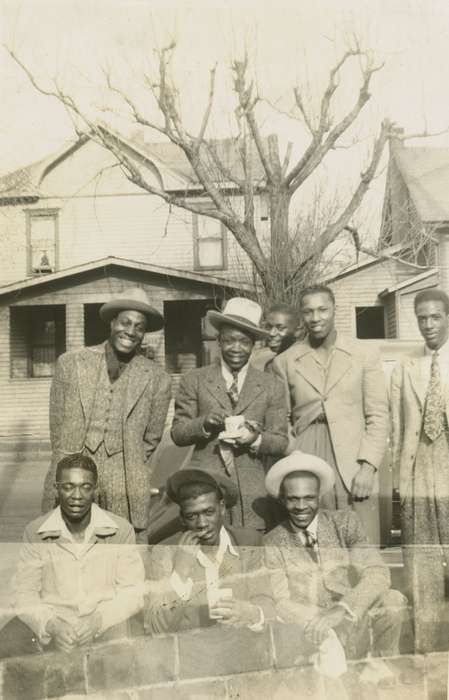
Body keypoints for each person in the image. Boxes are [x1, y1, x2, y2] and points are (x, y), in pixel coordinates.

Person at [41, 288, 172, 539]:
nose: (131, 331)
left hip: (125, 476)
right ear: (113, 323)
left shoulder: (157, 378)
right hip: (74, 467)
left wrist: (128, 460)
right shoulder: (72, 363)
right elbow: (56, 424)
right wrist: (68, 456)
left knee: (120, 547)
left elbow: (152, 438)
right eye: (125, 323)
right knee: (65, 544)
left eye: (139, 327)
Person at [264, 451, 406, 667]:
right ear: (283, 499)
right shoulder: (272, 541)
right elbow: (281, 601)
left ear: (319, 495)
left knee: (392, 600)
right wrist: (318, 619)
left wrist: (342, 609)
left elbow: (377, 572)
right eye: (293, 499)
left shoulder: (345, 522)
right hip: (309, 632)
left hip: (351, 618)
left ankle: (381, 673)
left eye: (309, 498)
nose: (301, 507)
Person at [273, 284, 389, 543]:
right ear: (301, 316)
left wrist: (368, 467)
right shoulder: (286, 362)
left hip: (353, 459)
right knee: (315, 543)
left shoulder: (363, 354)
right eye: (308, 311)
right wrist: (295, 459)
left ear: (334, 309)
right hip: (306, 456)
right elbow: (281, 422)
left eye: (323, 310)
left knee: (360, 543)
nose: (316, 318)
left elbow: (378, 415)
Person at [0, 454, 145, 658]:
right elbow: (24, 593)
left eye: (85, 487)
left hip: (104, 621)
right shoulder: (35, 532)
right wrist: (51, 624)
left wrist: (98, 621)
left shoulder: (120, 530)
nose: (77, 495)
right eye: (68, 486)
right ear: (56, 489)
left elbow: (133, 594)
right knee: (7, 643)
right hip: (56, 621)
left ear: (96, 490)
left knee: (125, 648)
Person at [171, 297, 288, 530]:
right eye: (229, 340)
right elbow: (178, 433)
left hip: (252, 494)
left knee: (250, 552)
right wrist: (203, 423)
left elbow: (281, 441)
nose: (236, 348)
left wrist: (255, 439)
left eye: (244, 342)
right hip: (205, 489)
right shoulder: (194, 379)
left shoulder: (271, 384)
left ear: (254, 344)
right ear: (218, 341)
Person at [144, 469, 273, 634]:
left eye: (209, 512)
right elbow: (157, 628)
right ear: (182, 518)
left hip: (242, 651)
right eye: (192, 516)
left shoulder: (247, 543)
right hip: (190, 655)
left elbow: (268, 604)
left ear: (222, 508)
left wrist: (251, 613)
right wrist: (180, 572)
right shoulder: (165, 552)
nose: (202, 523)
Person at [391, 288, 449, 653]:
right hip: (419, 470)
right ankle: (427, 652)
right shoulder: (406, 366)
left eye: (436, 317)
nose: (428, 325)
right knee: (422, 565)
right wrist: (401, 480)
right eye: (422, 318)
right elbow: (399, 430)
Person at [251, 303, 300, 372]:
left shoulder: (302, 363)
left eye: (281, 328)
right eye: (269, 327)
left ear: (297, 332)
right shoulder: (269, 362)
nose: (272, 333)